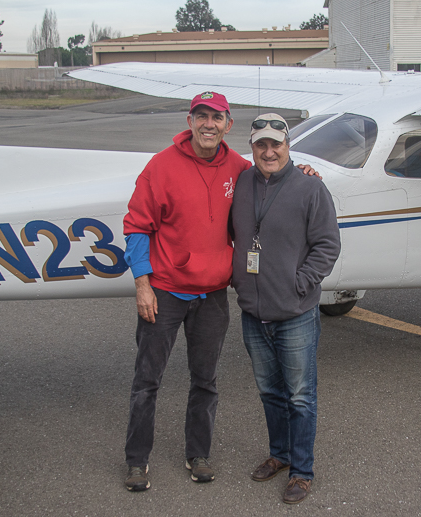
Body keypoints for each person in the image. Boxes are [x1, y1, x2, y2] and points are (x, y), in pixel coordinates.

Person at [122, 93, 316, 492]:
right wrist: (143, 284)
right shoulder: (160, 166)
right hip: (165, 291)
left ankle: (198, 455)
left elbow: (274, 174)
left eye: (217, 118)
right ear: (190, 121)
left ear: (228, 125)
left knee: (205, 381)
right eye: (201, 116)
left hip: (211, 295)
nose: (209, 124)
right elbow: (136, 226)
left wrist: (306, 173)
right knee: (147, 381)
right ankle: (137, 461)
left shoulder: (240, 169)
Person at [230, 113, 341, 504]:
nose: (269, 151)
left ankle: (302, 470)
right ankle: (279, 454)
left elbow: (328, 245)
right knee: (269, 392)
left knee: (300, 397)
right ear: (253, 147)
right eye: (261, 144)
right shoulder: (242, 182)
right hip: (252, 312)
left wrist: (300, 284)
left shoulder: (310, 188)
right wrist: (238, 279)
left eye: (276, 143)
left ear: (288, 146)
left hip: (295, 313)